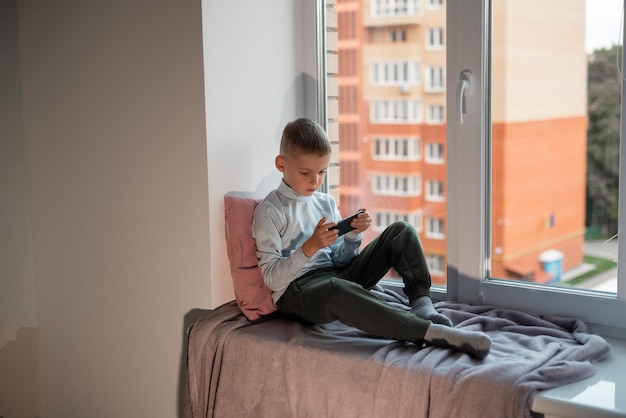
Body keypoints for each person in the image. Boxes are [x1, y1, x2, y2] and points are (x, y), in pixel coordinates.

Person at [252, 118, 491, 359]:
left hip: (336, 278)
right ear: (281, 164)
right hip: (297, 291)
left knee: (400, 230)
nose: (316, 181)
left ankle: (423, 306)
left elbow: (340, 259)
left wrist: (353, 236)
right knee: (336, 288)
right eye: (306, 173)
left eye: (322, 172)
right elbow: (272, 279)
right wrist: (309, 247)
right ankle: (427, 332)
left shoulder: (324, 202)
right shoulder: (270, 210)